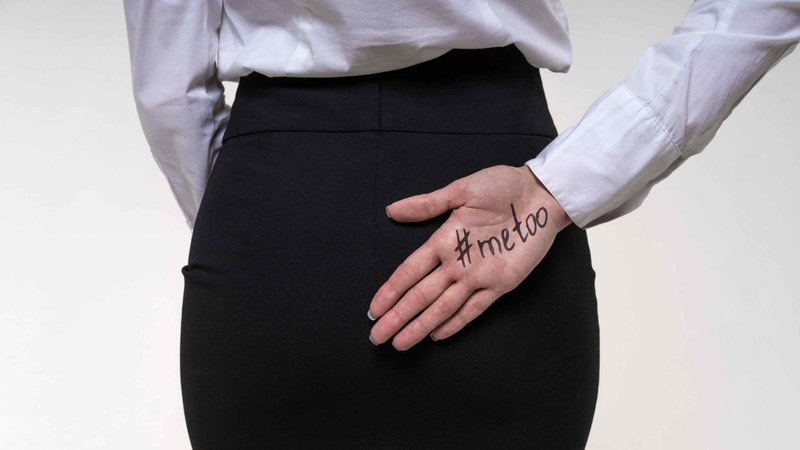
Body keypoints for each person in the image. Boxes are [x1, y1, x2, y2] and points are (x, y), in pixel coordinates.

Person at [123, 1, 799, 448]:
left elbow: (167, 88)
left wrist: (249, 229)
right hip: (500, 198)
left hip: (277, 210)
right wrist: (566, 182)